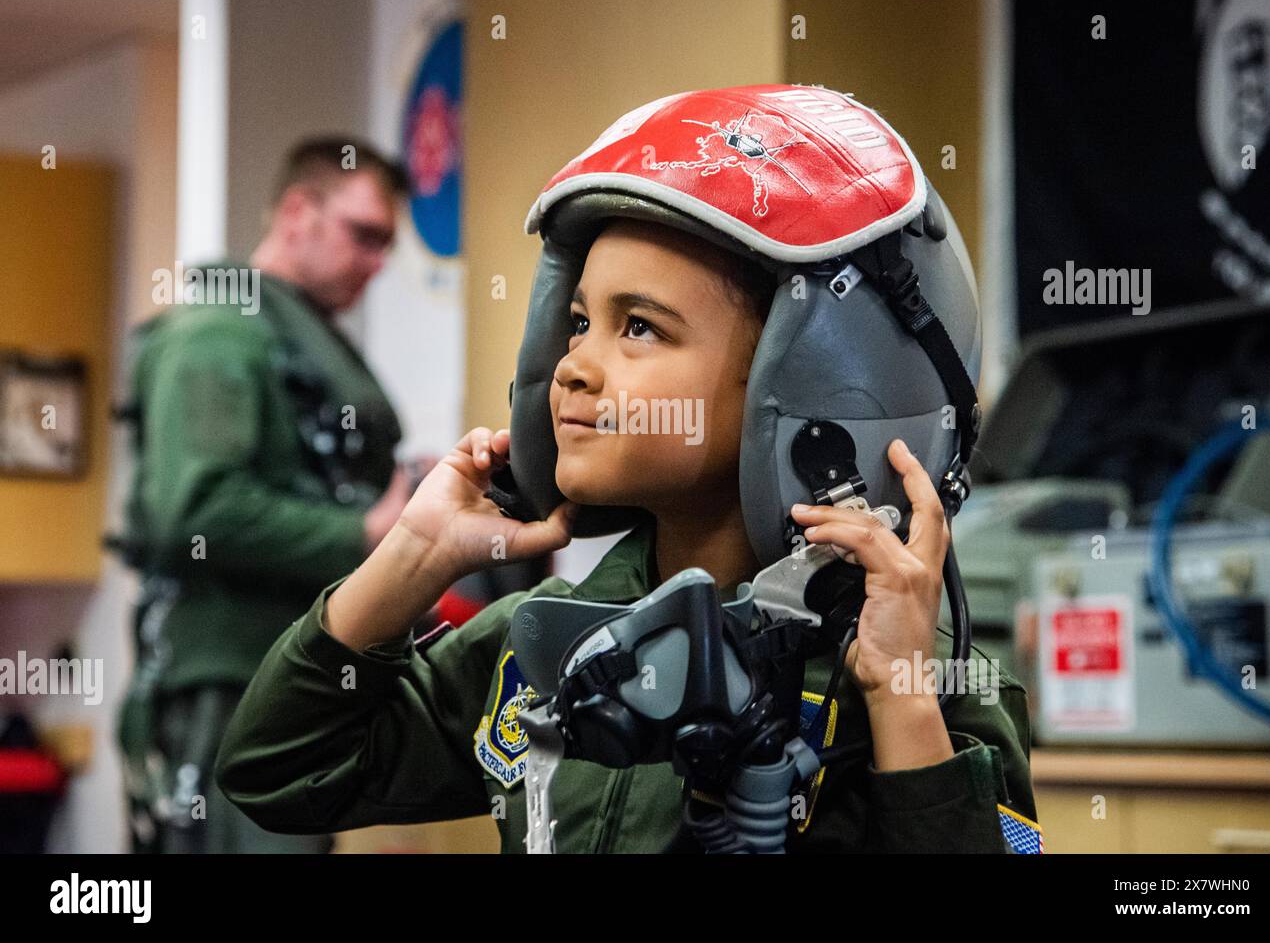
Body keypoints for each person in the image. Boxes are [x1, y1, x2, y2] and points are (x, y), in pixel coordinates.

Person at [215, 85, 1044, 853]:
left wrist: (901, 702)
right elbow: (277, 769)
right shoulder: (542, 643)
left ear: (806, 385)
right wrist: (414, 556)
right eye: (578, 323)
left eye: (639, 327)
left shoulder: (924, 675)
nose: (574, 366)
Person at [116, 138, 414, 853]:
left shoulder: (292, 339)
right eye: (363, 235)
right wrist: (365, 531)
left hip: (290, 678)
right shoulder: (219, 335)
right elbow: (195, 513)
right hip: (229, 683)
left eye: (386, 246)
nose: (375, 263)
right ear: (297, 212)